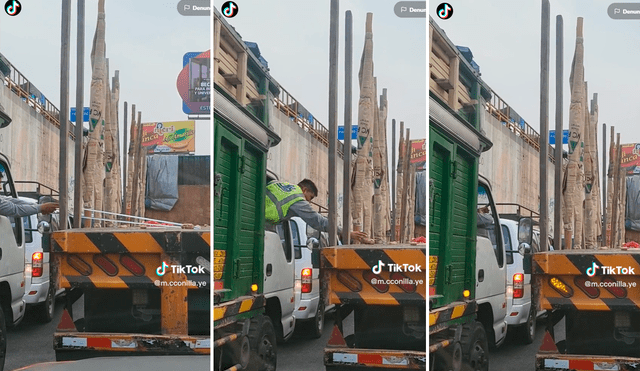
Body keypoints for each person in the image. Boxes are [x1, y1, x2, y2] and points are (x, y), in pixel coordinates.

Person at [265, 179, 370, 243]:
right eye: (309, 198)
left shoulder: (281, 185)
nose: (308, 202)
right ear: (304, 190)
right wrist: (347, 233)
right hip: (263, 224)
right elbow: (319, 222)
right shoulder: (297, 199)